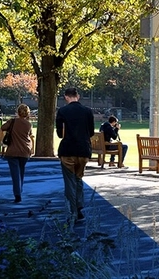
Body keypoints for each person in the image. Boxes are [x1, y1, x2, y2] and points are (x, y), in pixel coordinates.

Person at [56, 88, 95, 222]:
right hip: (83, 150)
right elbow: (91, 132)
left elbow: (60, 134)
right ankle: (79, 207)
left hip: (68, 149)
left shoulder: (62, 111)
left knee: (69, 182)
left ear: (66, 97)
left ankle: (72, 211)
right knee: (79, 179)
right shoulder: (87, 111)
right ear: (77, 96)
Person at [2, 104, 34, 203]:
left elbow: (2, 127)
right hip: (25, 150)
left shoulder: (12, 122)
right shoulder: (28, 124)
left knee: (15, 174)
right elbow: (29, 135)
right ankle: (20, 189)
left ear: (17, 112)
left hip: (13, 150)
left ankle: (17, 194)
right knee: (21, 171)